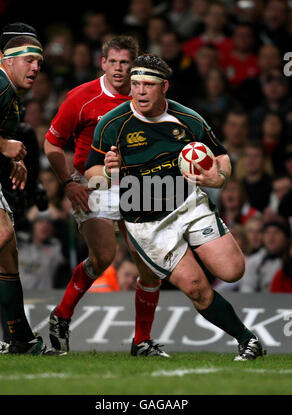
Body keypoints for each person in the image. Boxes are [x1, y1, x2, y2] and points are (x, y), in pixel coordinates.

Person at [85, 53, 265, 361]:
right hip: (147, 222)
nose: (140, 91)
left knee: (233, 271)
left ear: (164, 87)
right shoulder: (111, 124)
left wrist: (218, 177)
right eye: (135, 84)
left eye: (148, 85)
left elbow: (221, 156)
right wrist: (108, 171)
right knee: (196, 287)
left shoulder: (189, 119)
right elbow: (91, 172)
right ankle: (249, 340)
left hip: (188, 205)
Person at [44, 36, 168, 357]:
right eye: (113, 62)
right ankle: (61, 316)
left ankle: (141, 341)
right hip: (94, 185)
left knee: (149, 265)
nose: (118, 69)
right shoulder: (81, 98)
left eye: (125, 62)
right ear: (102, 63)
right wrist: (69, 183)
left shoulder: (145, 96)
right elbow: (52, 144)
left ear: (134, 65)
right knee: (103, 257)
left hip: (136, 187)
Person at [0, 35, 47, 354]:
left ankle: (22, 339)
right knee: (0, 235)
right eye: (29, 60)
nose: (36, 67)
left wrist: (13, 156)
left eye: (39, 62)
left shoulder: (9, 93)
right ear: (8, 61)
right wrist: (2, 146)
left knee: (6, 252)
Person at [240, 218, 289, 292]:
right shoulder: (254, 260)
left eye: (276, 232)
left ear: (286, 237)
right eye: (267, 233)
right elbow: (247, 289)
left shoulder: (289, 260)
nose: (271, 237)